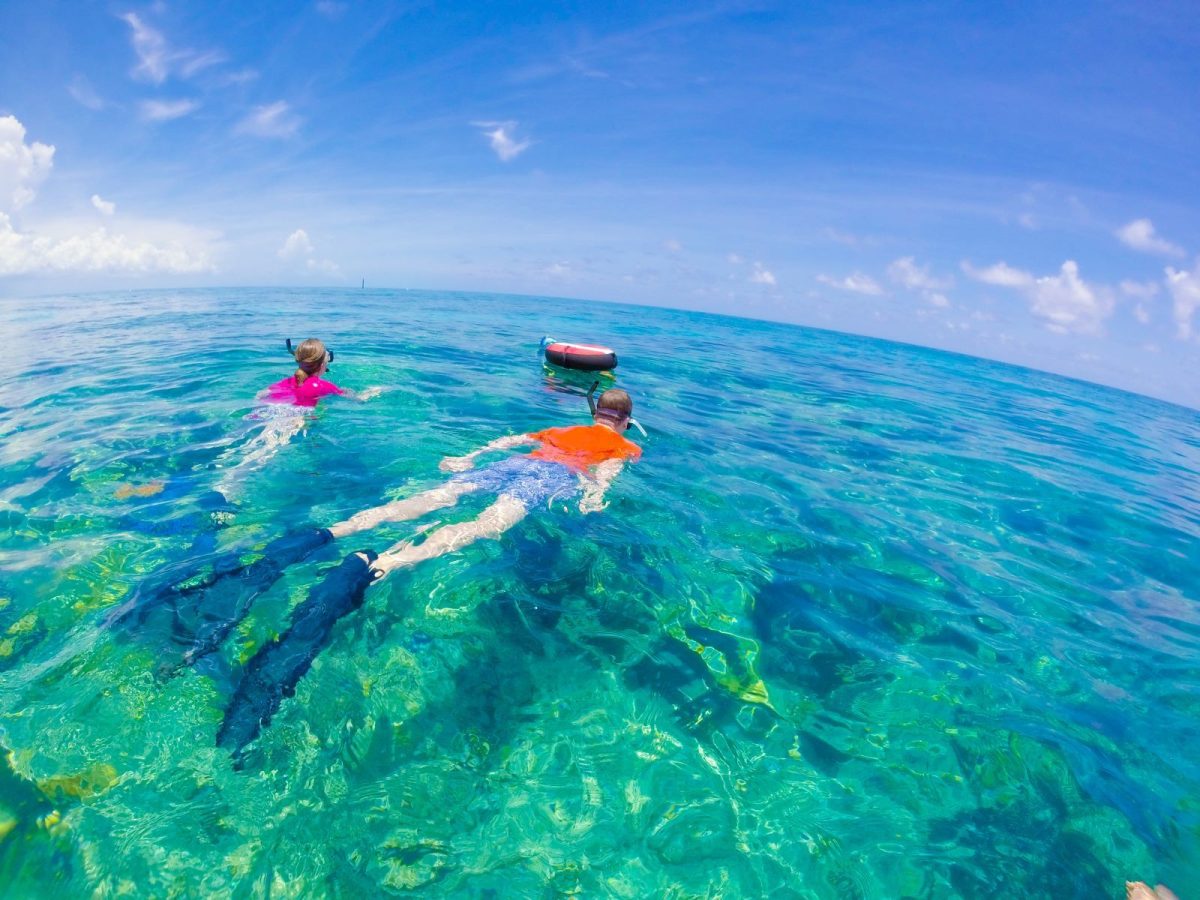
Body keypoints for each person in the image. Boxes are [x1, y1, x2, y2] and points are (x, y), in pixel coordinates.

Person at [214, 388, 643, 755]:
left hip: (515, 464)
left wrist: (466, 457)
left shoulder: (562, 430)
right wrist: (593, 499)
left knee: (440, 496)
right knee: (483, 527)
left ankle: (342, 528)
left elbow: (508, 440)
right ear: (624, 420)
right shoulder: (627, 446)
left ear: (595, 413)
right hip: (549, 479)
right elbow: (607, 472)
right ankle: (389, 564)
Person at [215, 338, 377, 495]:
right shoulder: (322, 386)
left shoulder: (287, 381)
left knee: (246, 450)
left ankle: (225, 482)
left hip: (266, 412)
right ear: (322, 365)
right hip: (291, 418)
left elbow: (261, 394)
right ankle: (228, 489)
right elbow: (356, 399)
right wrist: (374, 392)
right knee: (261, 455)